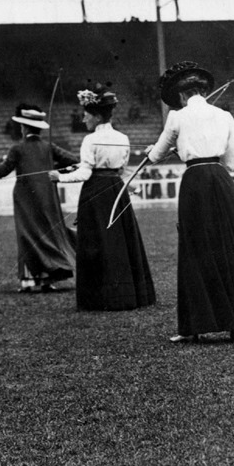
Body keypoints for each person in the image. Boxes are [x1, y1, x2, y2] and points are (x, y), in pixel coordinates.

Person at [148, 61, 234, 342]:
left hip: (195, 180)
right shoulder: (224, 115)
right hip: (220, 179)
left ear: (183, 96)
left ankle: (195, 328)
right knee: (230, 243)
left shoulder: (176, 116)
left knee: (196, 247)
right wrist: (217, 164)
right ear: (203, 91)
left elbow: (157, 154)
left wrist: (159, 152)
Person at [52, 84, 155, 311]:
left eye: (86, 115)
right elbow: (118, 168)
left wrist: (57, 176)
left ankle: (100, 298)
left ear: (97, 116)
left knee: (96, 243)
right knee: (118, 241)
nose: (83, 120)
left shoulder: (90, 140)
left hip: (95, 192)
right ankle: (129, 294)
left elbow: (86, 173)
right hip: (115, 189)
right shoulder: (123, 137)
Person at [0, 105, 77, 292]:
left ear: (25, 128)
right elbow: (74, 160)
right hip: (48, 198)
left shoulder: (17, 149)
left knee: (27, 236)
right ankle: (48, 279)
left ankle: (29, 281)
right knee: (47, 233)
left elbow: (1, 171)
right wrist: (55, 167)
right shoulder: (48, 147)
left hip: (25, 200)